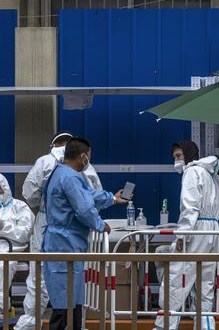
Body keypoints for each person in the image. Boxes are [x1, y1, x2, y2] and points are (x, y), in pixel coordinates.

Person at [17, 132, 105, 330]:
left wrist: (50, 202)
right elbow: (93, 197)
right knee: (74, 278)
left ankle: (31, 322)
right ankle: (74, 323)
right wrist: (95, 219)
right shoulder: (84, 167)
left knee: (41, 275)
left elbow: (29, 194)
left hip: (50, 223)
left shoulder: (45, 163)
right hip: (74, 229)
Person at [43, 137, 127, 330]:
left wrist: (112, 198)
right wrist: (100, 224)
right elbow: (83, 209)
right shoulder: (70, 177)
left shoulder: (63, 173)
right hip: (65, 243)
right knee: (65, 303)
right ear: (83, 157)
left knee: (69, 300)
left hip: (64, 243)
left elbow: (88, 194)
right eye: (88, 156)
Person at [153, 141, 219, 330]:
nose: (176, 160)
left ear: (188, 154)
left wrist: (182, 236)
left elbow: (190, 207)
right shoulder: (214, 176)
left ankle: (165, 326)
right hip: (212, 229)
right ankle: (205, 326)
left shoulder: (191, 172)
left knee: (176, 277)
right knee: (206, 284)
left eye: (179, 156)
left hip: (196, 229)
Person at [0, 174, 35, 321]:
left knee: (1, 267)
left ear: (5, 188)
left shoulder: (19, 207)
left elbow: (24, 234)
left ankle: (2, 308)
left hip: (10, 251)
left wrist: (3, 227)